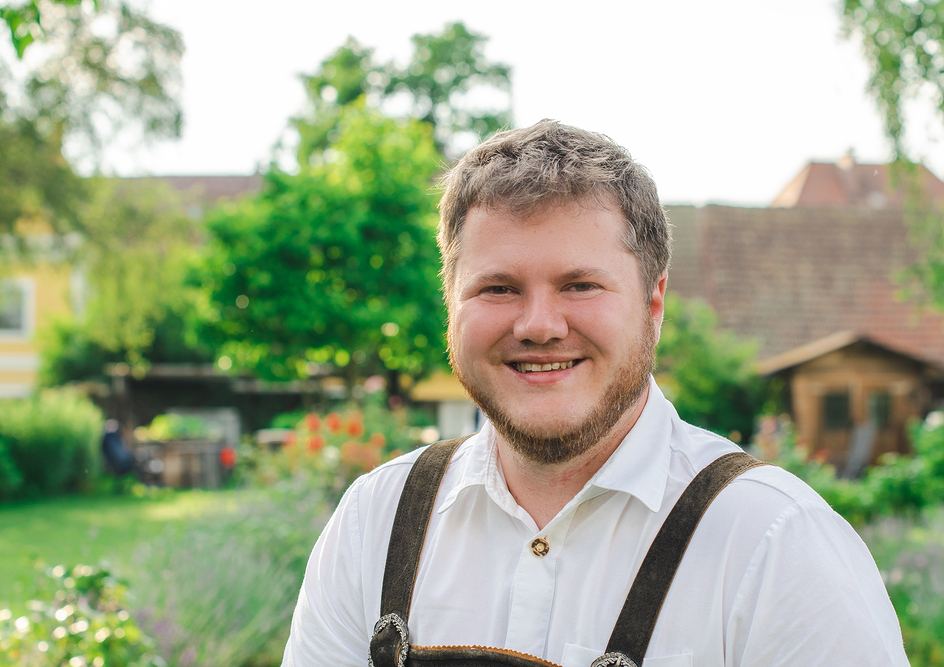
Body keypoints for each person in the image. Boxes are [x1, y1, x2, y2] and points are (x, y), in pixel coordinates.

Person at [282, 121, 910, 666]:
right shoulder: (374, 523)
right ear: (451, 304)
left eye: (579, 285)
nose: (538, 325)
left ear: (653, 303)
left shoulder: (776, 543)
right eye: (498, 288)